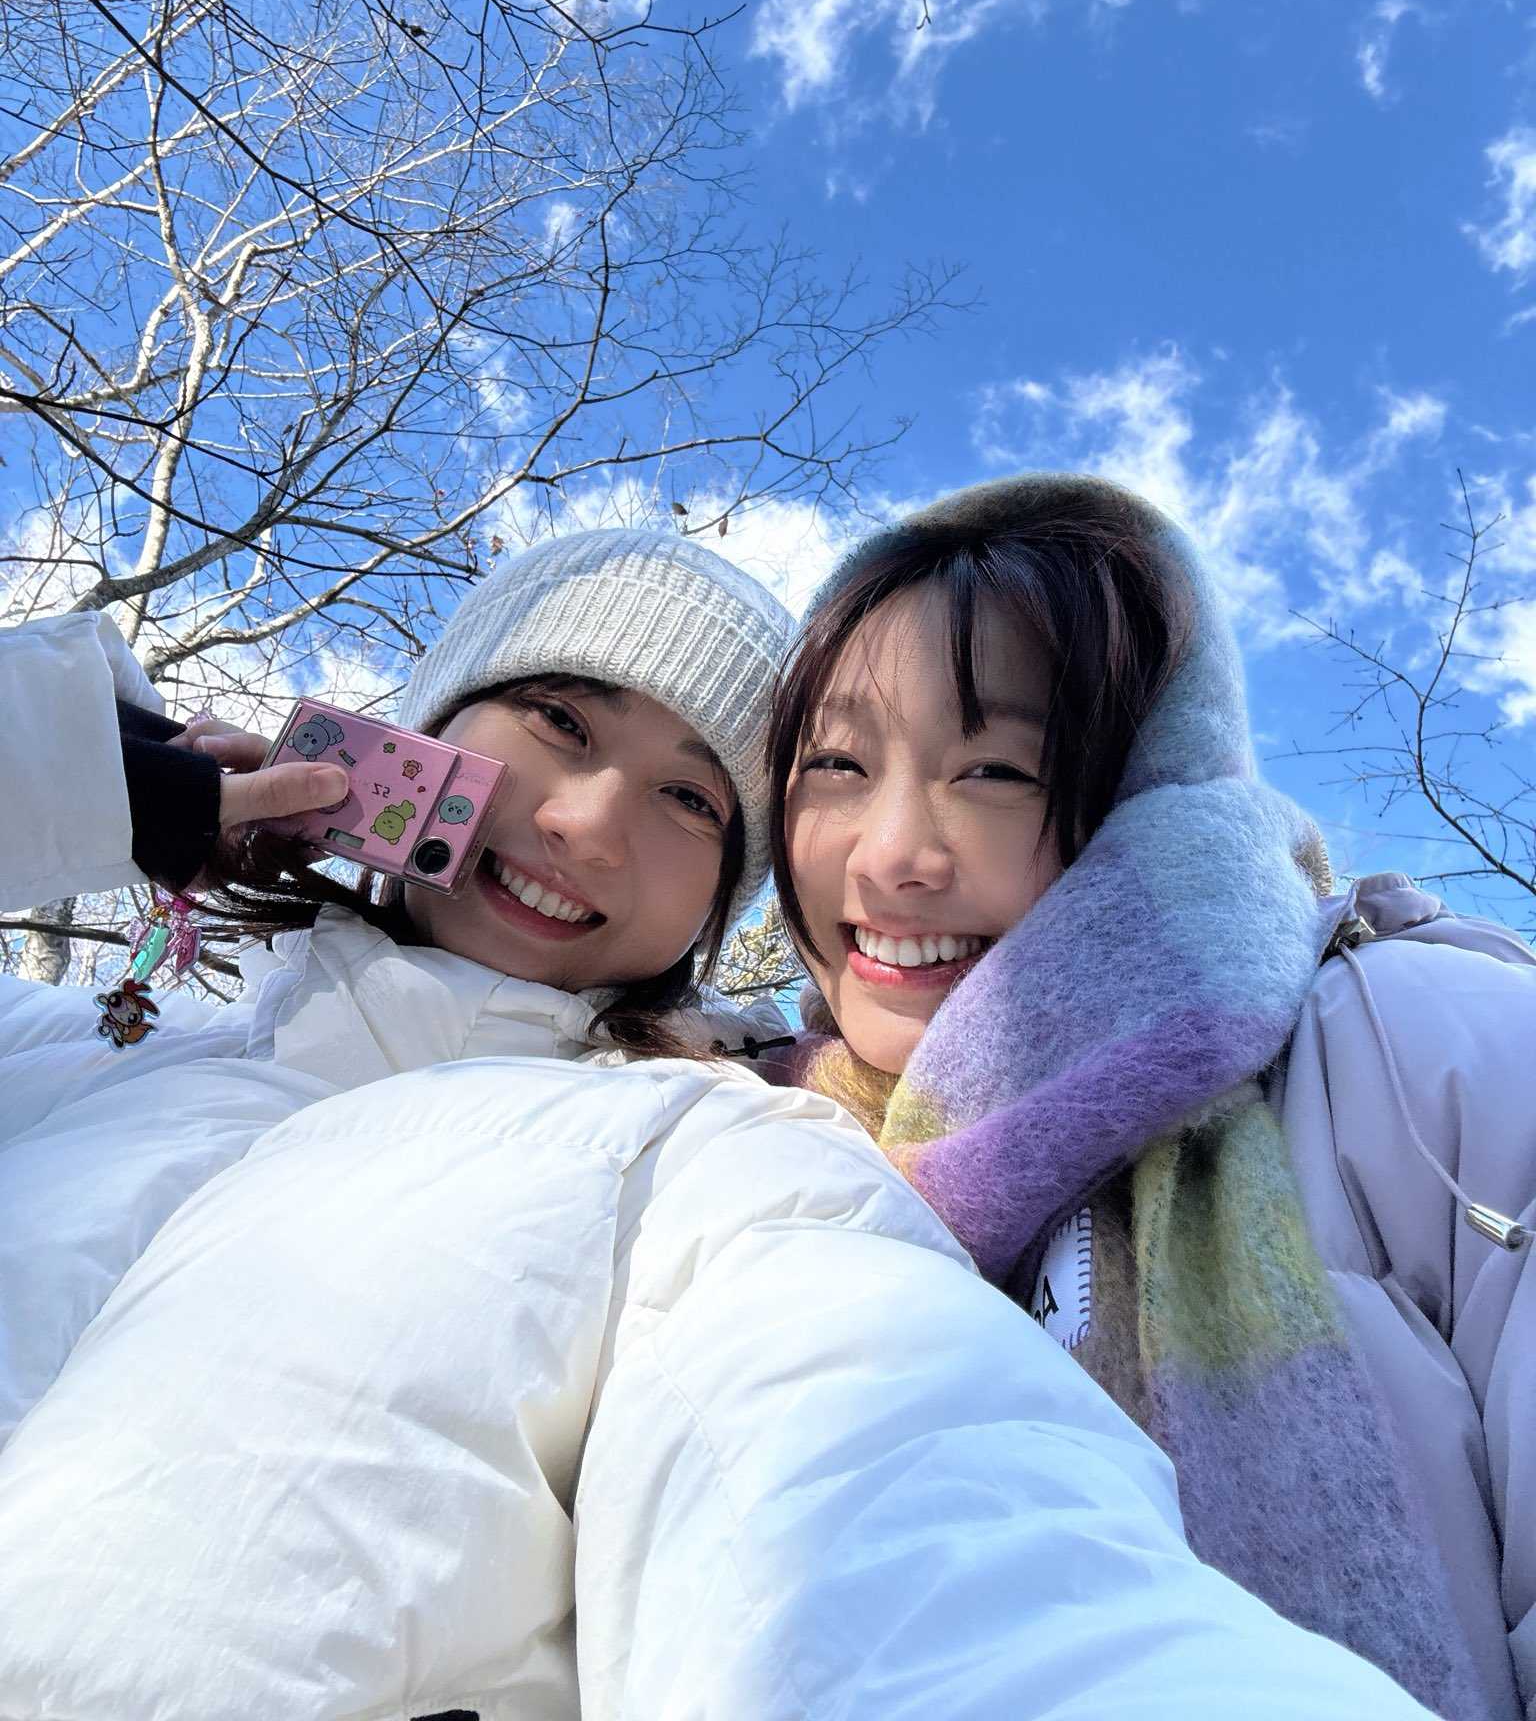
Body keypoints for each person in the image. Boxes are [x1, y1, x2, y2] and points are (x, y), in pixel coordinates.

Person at [0, 527, 1440, 1721]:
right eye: (560, 721)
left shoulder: (706, 1156)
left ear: (724, 902)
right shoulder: (65, 1048)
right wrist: (82, 777)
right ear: (429, 724)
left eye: (691, 799)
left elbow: (900, 1518)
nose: (588, 824)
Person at [764, 471, 1536, 1721]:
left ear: (1145, 796)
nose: (892, 852)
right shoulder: (762, 1151)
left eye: (997, 770)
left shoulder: (1419, 1049)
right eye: (838, 762)